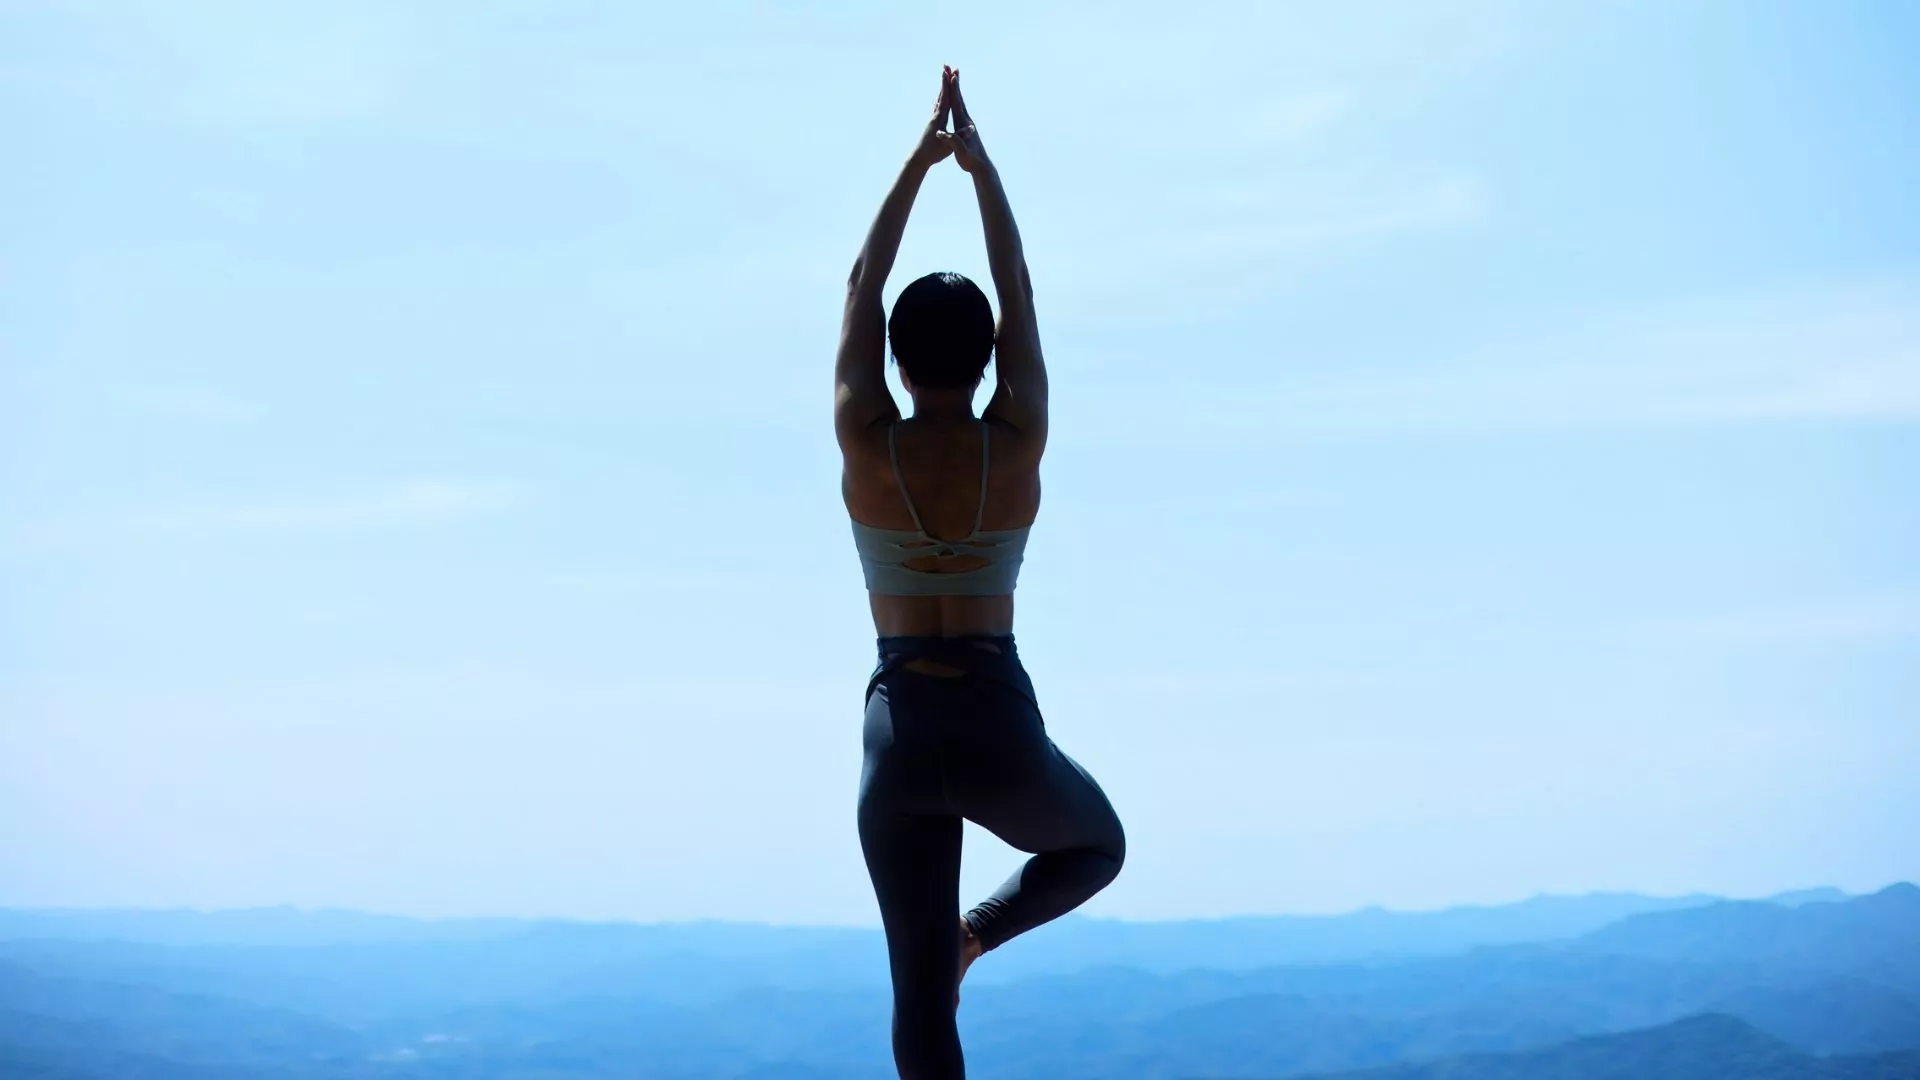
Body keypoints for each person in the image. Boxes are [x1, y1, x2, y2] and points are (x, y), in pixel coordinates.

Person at [836, 66, 1127, 1079]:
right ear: (989, 354)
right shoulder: (1018, 438)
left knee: (919, 1008)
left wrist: (920, 163)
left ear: (897, 363)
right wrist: (981, 169)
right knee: (1096, 847)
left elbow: (862, 285)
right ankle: (976, 935)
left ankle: (945, 954)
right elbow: (1021, 289)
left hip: (899, 732)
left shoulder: (867, 442)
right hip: (995, 719)